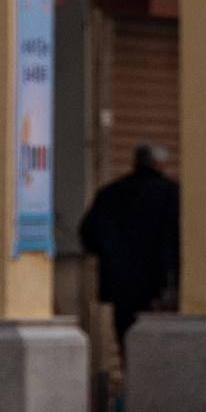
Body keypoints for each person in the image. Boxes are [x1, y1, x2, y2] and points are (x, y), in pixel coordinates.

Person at [77, 143, 183, 366]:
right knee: (159, 348)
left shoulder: (110, 194)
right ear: (159, 164)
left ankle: (130, 388)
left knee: (126, 341)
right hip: (159, 284)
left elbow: (88, 233)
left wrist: (112, 257)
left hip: (121, 285)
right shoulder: (172, 194)